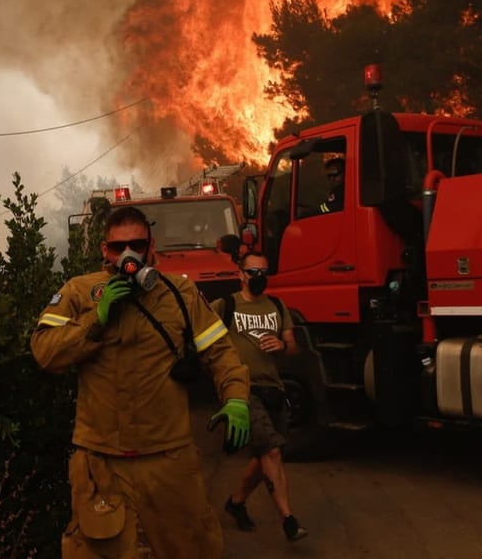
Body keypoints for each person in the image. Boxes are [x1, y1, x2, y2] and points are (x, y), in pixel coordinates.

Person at [31, 206, 251, 558]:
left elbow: (221, 353)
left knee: (193, 546)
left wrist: (236, 397)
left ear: (152, 247)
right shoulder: (79, 292)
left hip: (169, 460)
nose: (128, 254)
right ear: (105, 251)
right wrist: (95, 320)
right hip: (102, 464)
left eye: (137, 244)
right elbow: (44, 353)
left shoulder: (180, 294)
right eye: (119, 247)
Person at [211, 252, 309, 543]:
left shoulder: (278, 306)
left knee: (263, 454)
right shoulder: (225, 305)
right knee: (272, 452)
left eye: (263, 272)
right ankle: (288, 519)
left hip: (273, 388)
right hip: (241, 388)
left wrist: (281, 344)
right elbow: (204, 341)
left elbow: (293, 349)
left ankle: (236, 502)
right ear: (240, 274)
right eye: (253, 272)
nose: (258, 277)